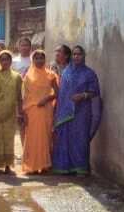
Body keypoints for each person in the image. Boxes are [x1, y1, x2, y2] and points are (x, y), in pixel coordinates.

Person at [52, 45, 102, 176]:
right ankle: (65, 167)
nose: (76, 57)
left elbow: (95, 92)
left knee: (80, 139)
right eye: (74, 54)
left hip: (82, 111)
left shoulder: (89, 73)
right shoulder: (66, 72)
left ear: (84, 56)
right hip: (64, 112)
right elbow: (62, 93)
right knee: (65, 139)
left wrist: (83, 95)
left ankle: (80, 168)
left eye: (79, 54)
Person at [21, 49, 60, 175]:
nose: (39, 60)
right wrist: (24, 113)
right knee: (32, 138)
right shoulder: (28, 76)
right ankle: (31, 166)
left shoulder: (51, 75)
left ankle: (44, 165)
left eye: (41, 58)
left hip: (45, 110)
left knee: (45, 137)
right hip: (31, 110)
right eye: (36, 58)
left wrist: (46, 99)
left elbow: (57, 93)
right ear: (32, 60)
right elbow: (25, 96)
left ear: (45, 59)